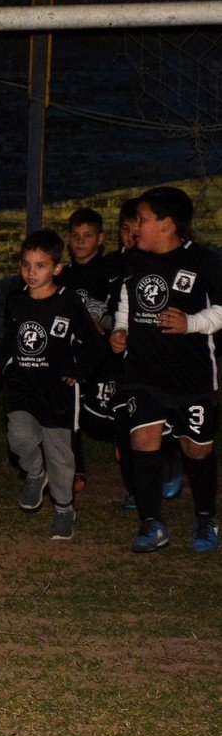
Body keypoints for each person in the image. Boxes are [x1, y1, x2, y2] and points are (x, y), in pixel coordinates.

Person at [110, 186, 222, 552]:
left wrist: (190, 323)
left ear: (167, 224)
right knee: (143, 440)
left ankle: (205, 518)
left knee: (197, 449)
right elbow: (127, 301)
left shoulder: (204, 262)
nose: (134, 228)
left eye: (142, 220)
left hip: (191, 375)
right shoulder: (134, 260)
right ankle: (151, 523)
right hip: (143, 372)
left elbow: (221, 310)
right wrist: (121, 330)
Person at [0, 230, 101, 540]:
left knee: (60, 453)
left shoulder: (69, 302)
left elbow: (93, 343)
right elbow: (11, 337)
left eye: (40, 266)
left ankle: (64, 508)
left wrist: (79, 370)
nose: (31, 273)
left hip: (58, 390)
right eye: (26, 265)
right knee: (19, 437)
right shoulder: (16, 300)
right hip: (22, 385)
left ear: (57, 268)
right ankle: (36, 473)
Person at [58, 208, 114, 492]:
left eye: (87, 236)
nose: (80, 242)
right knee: (69, 411)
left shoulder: (110, 274)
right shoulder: (63, 276)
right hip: (73, 355)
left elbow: (121, 313)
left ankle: (136, 452)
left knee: (100, 418)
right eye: (75, 236)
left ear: (100, 239)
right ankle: (76, 468)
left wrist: (103, 323)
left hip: (105, 356)